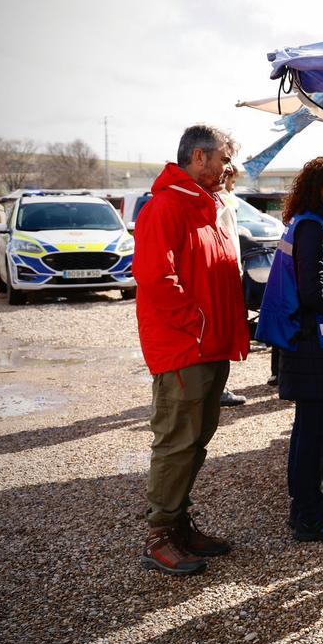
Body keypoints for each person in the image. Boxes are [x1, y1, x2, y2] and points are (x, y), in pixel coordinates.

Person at [132, 124, 249, 576]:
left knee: (195, 441)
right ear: (199, 158)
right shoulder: (165, 207)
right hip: (185, 349)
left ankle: (178, 524)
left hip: (208, 345)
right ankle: (159, 535)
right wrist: (197, 326)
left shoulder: (207, 206)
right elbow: (156, 280)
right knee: (177, 442)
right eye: (223, 158)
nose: (228, 168)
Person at [257, 157, 323, 542]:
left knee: (315, 431)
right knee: (314, 434)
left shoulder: (316, 224)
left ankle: (312, 507)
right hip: (313, 347)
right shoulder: (312, 229)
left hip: (319, 345)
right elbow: (311, 292)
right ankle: (308, 516)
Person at [216, 165, 248, 408]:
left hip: (230, 270)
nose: (233, 186)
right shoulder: (221, 203)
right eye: (232, 181)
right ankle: (219, 387)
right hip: (226, 272)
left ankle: (219, 386)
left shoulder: (226, 202)